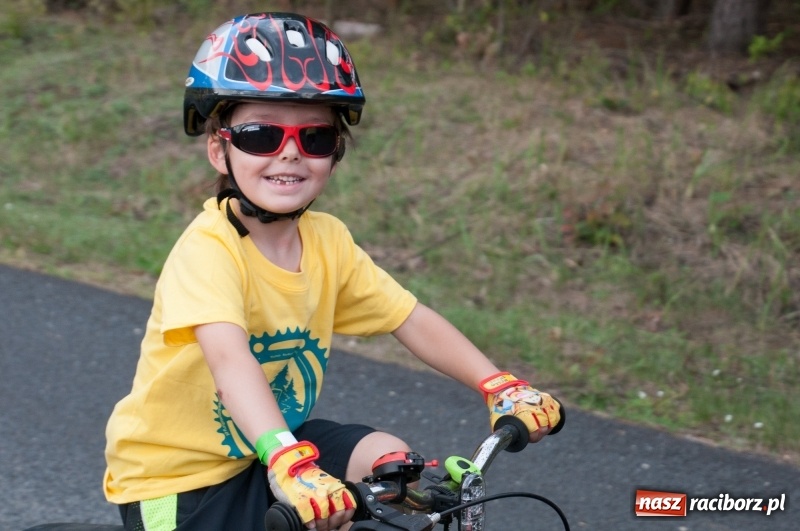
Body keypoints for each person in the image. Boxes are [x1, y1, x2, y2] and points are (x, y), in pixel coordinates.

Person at [103, 12, 563, 531]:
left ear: (335, 152)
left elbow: (408, 317)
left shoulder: (328, 241)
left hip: (270, 452)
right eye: (260, 135)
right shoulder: (208, 250)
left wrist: (500, 385)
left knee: (390, 460)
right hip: (178, 481)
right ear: (219, 149)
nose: (292, 151)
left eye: (316, 137)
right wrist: (287, 461)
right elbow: (230, 362)